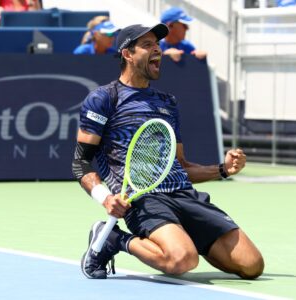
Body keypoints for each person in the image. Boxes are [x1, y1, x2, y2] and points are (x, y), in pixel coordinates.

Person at [73, 23, 264, 280]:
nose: (158, 50)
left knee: (252, 265)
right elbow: (81, 163)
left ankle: (181, 235)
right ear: (128, 54)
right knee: (182, 260)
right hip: (143, 199)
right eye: (148, 45)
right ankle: (116, 240)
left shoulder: (166, 103)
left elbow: (180, 166)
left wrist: (222, 170)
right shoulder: (104, 99)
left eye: (158, 45)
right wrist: (106, 198)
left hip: (184, 195)